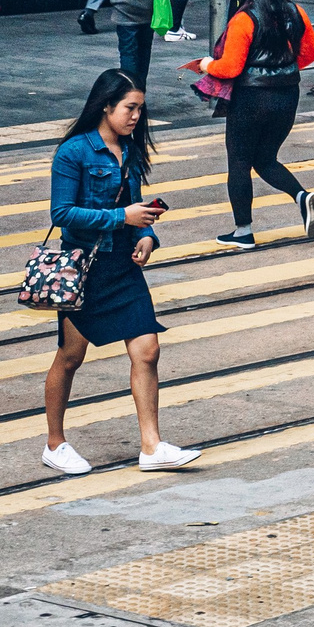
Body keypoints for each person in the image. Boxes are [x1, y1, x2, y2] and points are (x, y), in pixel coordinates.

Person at [42, 70, 197, 476]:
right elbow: (62, 213)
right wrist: (121, 217)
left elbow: (134, 204)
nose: (135, 117)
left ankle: (152, 446)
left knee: (147, 350)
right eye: (130, 108)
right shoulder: (74, 152)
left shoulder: (128, 150)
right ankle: (55, 444)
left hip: (123, 267)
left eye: (140, 109)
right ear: (105, 106)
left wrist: (145, 234)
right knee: (71, 357)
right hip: (86, 268)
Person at [189, 0, 314, 250]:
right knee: (265, 158)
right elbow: (311, 52)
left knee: (239, 162)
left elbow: (231, 67)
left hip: (251, 98)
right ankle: (302, 197)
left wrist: (206, 64)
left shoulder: (244, 19)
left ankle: (243, 231)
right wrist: (282, 70)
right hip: (288, 95)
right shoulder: (295, 11)